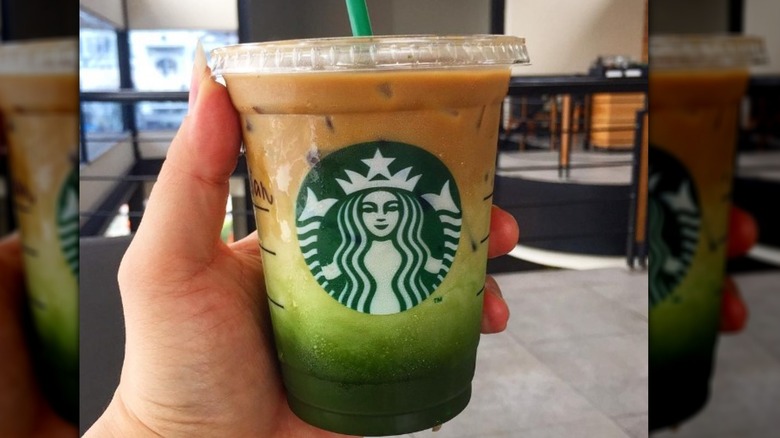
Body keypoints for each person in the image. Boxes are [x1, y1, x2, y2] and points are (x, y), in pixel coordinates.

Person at [79, 60, 514, 437]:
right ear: (351, 214)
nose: (380, 216)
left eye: (391, 207)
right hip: (286, 384)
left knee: (475, 265)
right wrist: (149, 429)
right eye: (368, 207)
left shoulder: (416, 259)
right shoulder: (347, 267)